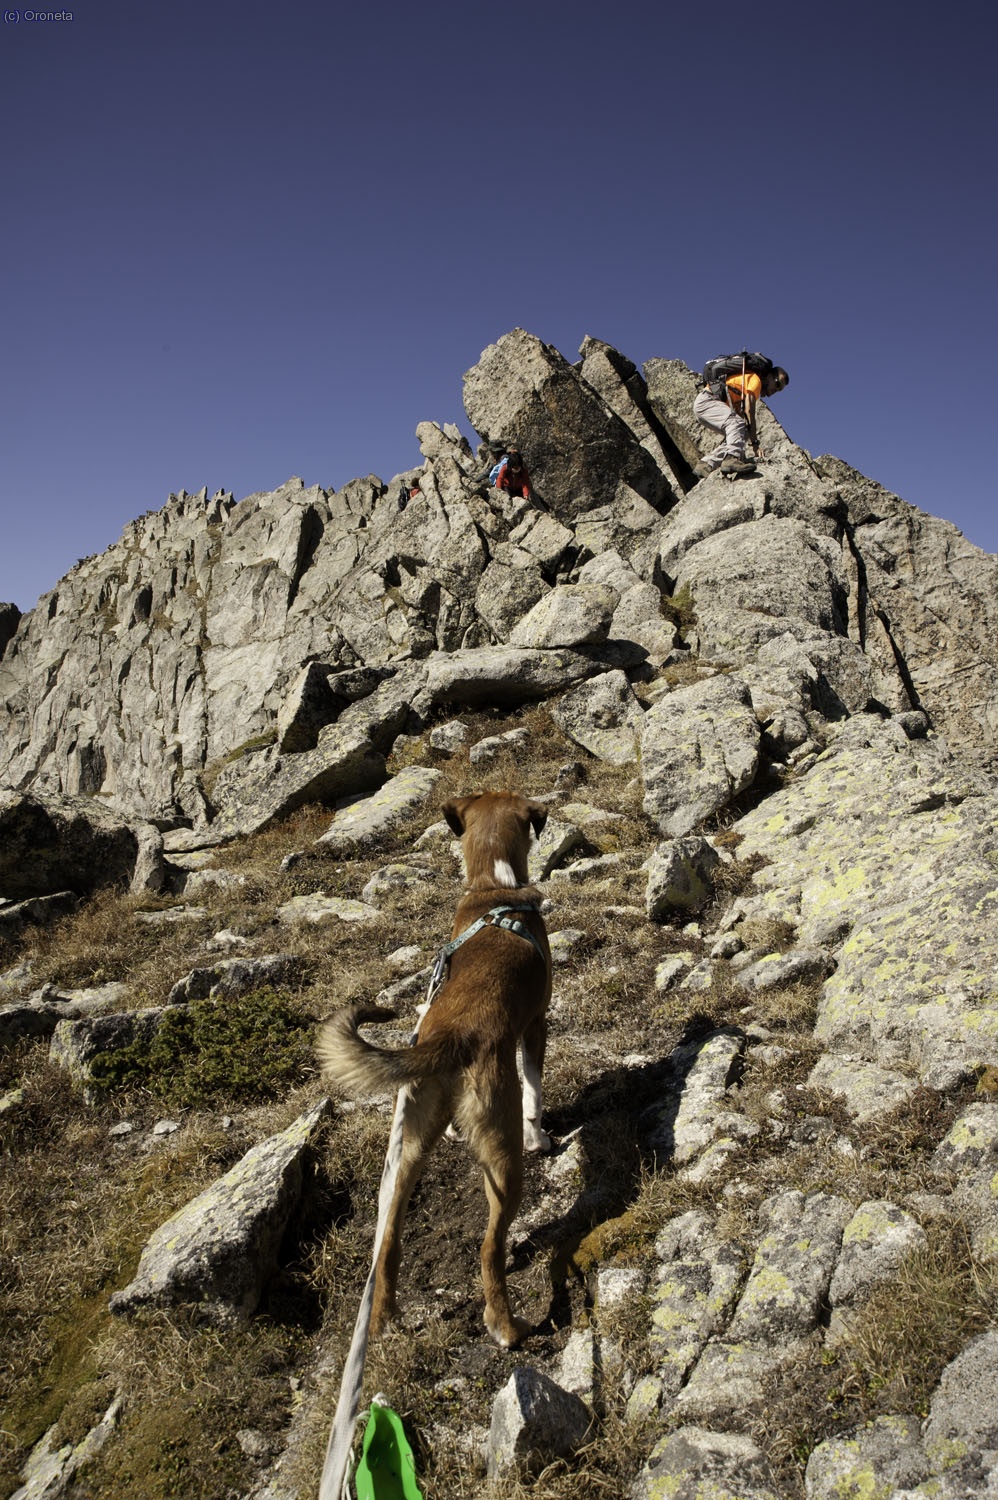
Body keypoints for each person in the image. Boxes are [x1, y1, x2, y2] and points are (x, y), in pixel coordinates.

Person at [692, 355, 789, 479]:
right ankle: (732, 459)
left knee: (742, 433)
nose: (774, 390)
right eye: (776, 384)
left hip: (707, 404)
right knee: (737, 423)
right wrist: (755, 444)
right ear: (768, 376)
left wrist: (746, 441)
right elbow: (749, 412)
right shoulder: (755, 380)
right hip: (707, 401)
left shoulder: (744, 382)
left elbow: (742, 422)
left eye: (779, 389)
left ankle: (706, 464)